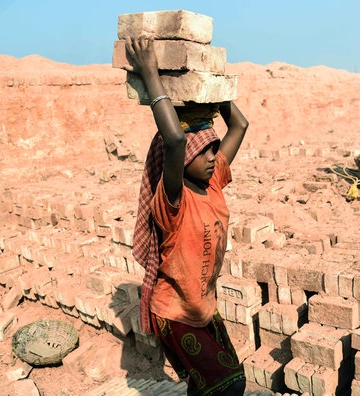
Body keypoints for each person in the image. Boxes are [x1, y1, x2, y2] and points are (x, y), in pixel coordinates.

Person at [126, 36, 249, 396]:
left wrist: (213, 83)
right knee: (230, 387)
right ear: (182, 159)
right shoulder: (173, 201)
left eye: (215, 147)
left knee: (206, 387)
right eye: (204, 149)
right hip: (176, 313)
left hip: (203, 309)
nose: (213, 155)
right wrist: (152, 77)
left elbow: (239, 126)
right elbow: (176, 140)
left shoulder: (212, 183)